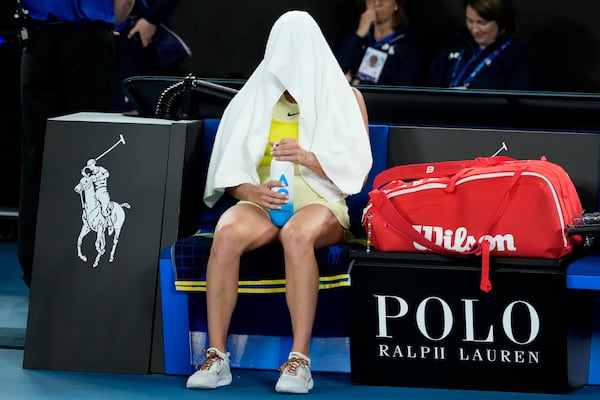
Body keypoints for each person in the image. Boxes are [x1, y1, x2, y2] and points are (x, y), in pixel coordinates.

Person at [185, 10, 372, 394]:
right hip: (264, 199)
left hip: (321, 199)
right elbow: (229, 170)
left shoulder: (347, 98)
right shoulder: (252, 98)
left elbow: (356, 173)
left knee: (297, 236)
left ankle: (299, 361)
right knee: (226, 233)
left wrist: (308, 158)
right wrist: (252, 192)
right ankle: (217, 355)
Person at [17, 0, 133, 287]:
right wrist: (109, 24)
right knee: (87, 156)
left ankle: (35, 269)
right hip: (88, 39)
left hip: (39, 38)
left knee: (38, 155)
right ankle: (77, 274)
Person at [427, 0, 532, 90]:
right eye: (470, 21)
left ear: (500, 21)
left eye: (481, 23)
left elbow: (517, 102)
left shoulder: (515, 56)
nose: (474, 29)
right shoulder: (455, 44)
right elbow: (432, 87)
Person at [113, 0, 188, 113]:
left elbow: (125, 2)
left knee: (132, 105)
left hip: (134, 32)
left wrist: (151, 19)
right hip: (114, 32)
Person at [336, 0, 421, 86]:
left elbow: (403, 89)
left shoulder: (407, 46)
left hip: (380, 98)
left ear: (396, 5)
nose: (376, 3)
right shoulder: (355, 38)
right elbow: (335, 71)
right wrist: (360, 33)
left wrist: (357, 83)